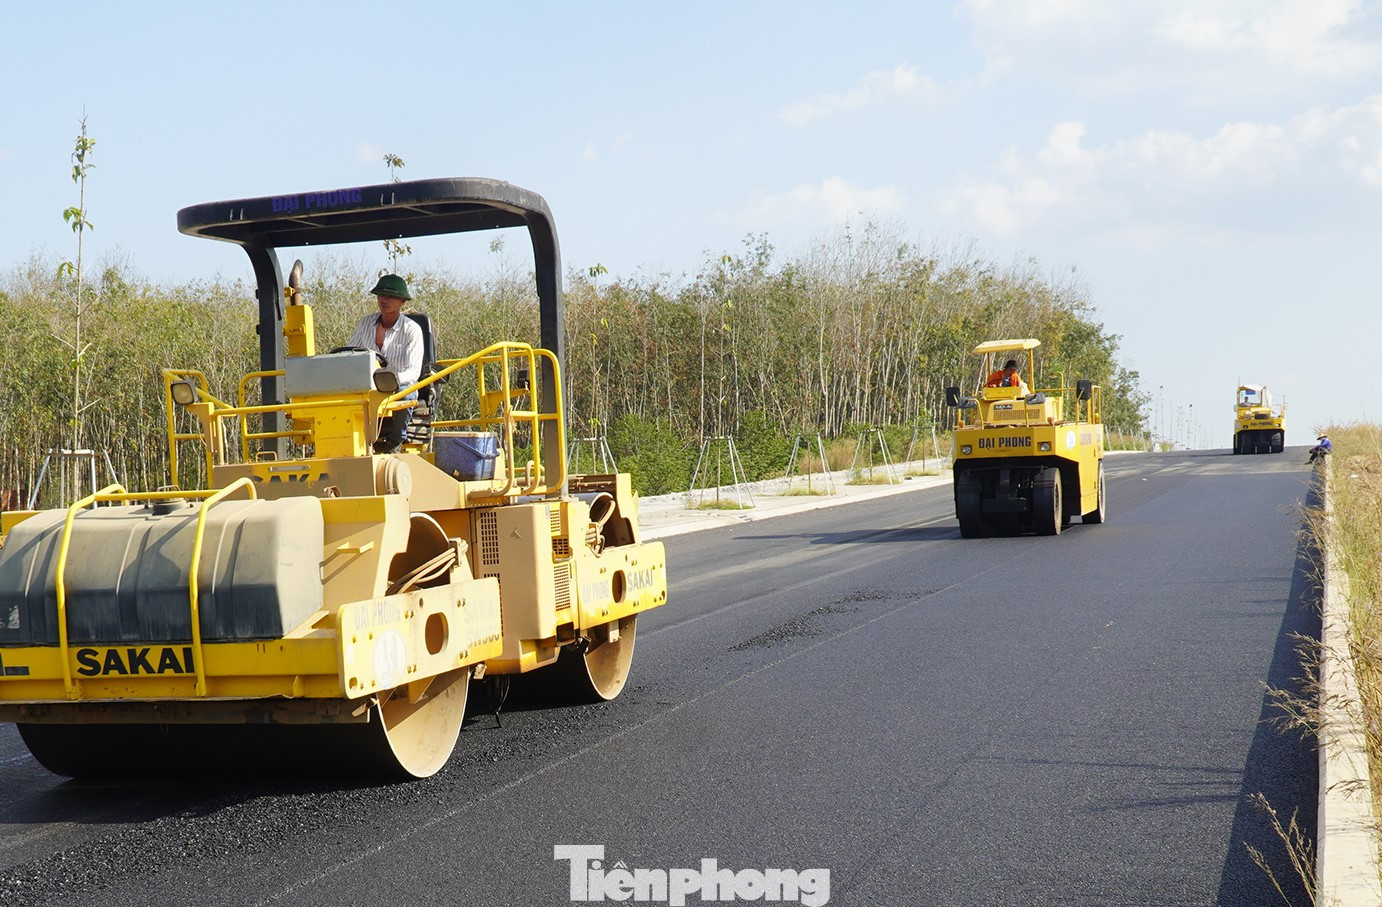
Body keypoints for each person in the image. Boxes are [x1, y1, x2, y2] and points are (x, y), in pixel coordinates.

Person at [346, 274, 423, 453]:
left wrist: (390, 380)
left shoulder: (412, 330)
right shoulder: (365, 323)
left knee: (406, 395)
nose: (384, 300)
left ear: (402, 301)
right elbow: (349, 354)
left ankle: (395, 442)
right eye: (381, 295)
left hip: (399, 387)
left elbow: (413, 372)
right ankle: (352, 443)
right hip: (367, 385)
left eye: (391, 296)